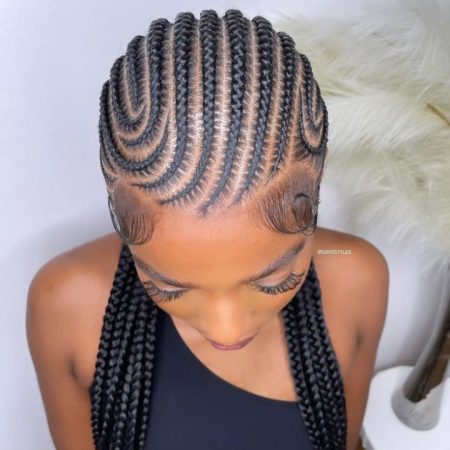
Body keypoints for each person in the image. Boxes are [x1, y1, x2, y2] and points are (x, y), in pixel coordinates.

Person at [26, 8, 389, 450]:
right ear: (116, 206)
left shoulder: (357, 273)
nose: (226, 331)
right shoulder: (64, 302)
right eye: (169, 287)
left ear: (317, 185)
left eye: (273, 279)